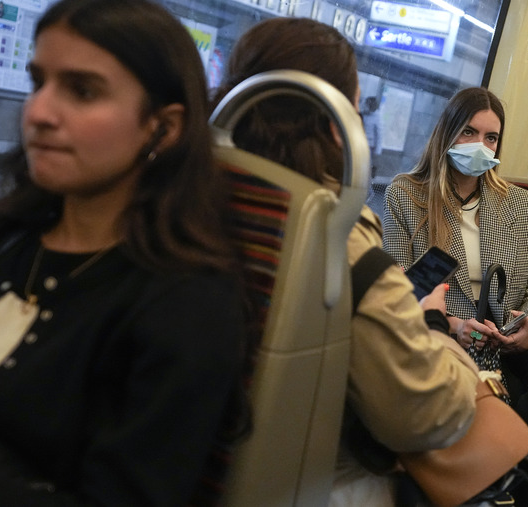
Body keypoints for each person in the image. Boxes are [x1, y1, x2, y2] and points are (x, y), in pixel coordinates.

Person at [0, 1, 246, 505]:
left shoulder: (189, 306)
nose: (38, 112)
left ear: (163, 128)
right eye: (38, 83)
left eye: (83, 91)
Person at [212, 18, 483, 505]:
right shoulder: (340, 243)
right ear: (337, 127)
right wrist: (436, 327)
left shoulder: (187, 195)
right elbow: (429, 412)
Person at [383, 87, 528, 507]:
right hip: (449, 337)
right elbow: (401, 291)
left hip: (513, 339)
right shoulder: (407, 196)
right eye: (469, 132)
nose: (480, 145)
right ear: (446, 134)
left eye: (490, 137)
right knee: (521, 410)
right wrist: (453, 325)